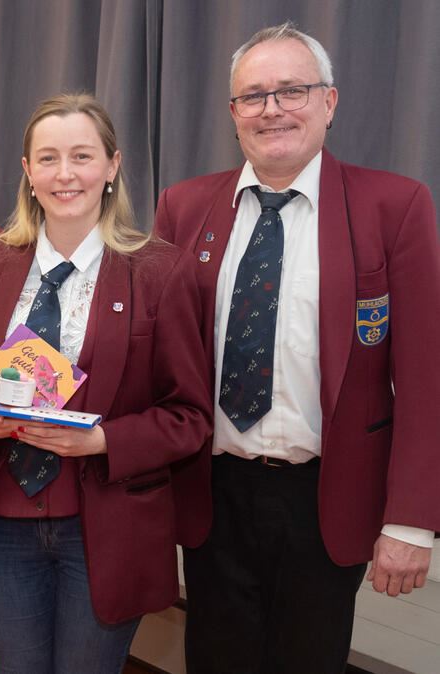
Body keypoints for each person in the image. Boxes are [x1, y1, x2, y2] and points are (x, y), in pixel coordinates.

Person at [155, 22, 440, 674]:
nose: (272, 109)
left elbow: (427, 377)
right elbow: (158, 356)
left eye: (292, 90)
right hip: (212, 497)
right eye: (253, 96)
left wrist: (411, 521)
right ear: (232, 114)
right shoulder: (184, 207)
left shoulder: (393, 206)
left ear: (329, 102)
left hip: (326, 501)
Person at [0, 93, 212, 674]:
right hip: (2, 523)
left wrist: (103, 441)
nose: (65, 174)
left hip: (104, 526)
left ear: (112, 166)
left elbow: (189, 416)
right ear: (28, 172)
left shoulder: (161, 270)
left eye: (81, 156)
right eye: (48, 158)